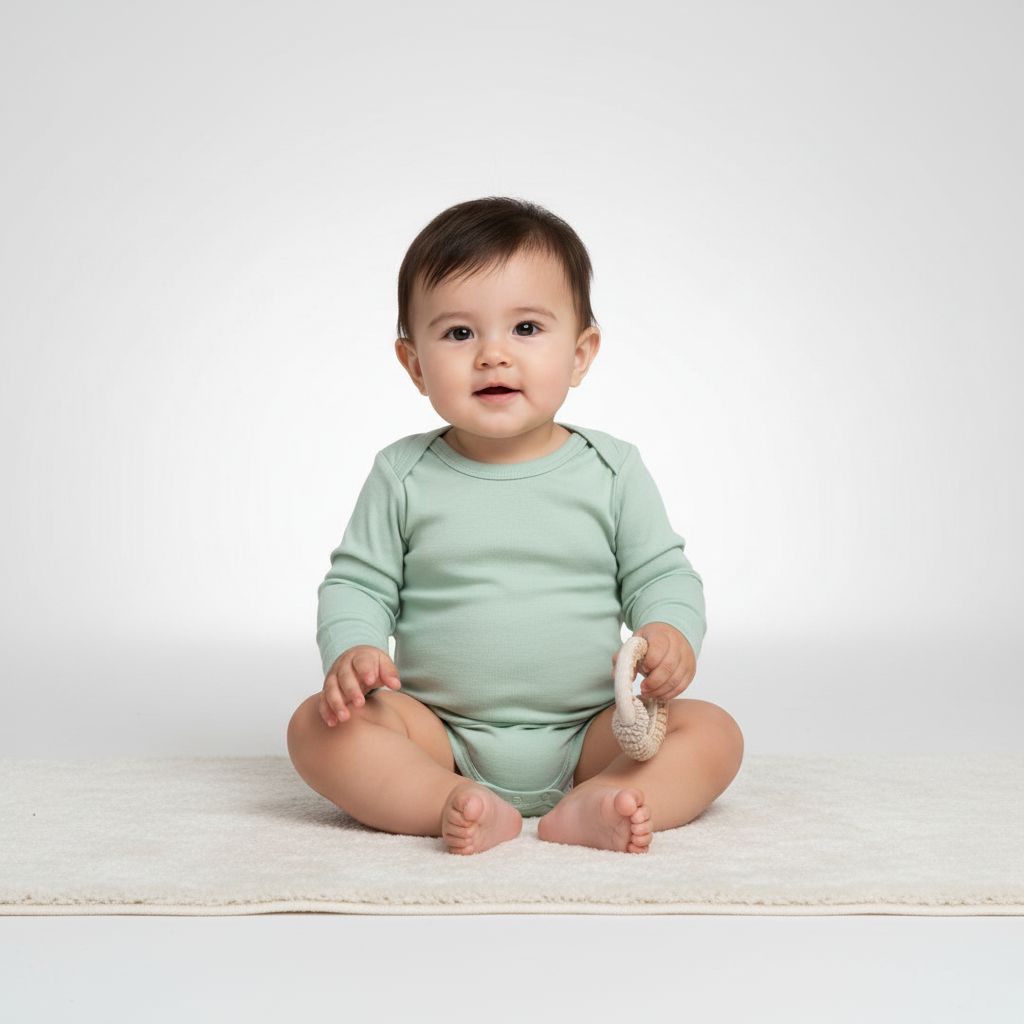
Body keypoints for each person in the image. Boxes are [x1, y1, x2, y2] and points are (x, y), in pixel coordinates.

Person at [287, 196, 744, 855]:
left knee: (714, 732)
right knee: (316, 728)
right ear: (415, 365)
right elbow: (358, 584)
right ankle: (445, 800)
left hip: (593, 731)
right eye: (459, 334)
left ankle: (599, 803)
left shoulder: (612, 470)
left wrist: (669, 630)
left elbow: (660, 574)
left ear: (580, 354)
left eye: (526, 328)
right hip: (436, 733)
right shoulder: (403, 474)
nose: (493, 355)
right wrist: (354, 649)